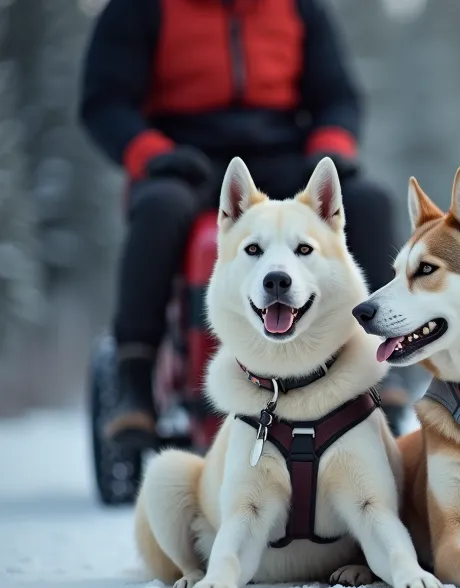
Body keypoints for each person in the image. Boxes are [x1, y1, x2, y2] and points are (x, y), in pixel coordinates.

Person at [80, 0, 409, 455]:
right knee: (159, 208)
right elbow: (104, 102)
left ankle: (382, 360)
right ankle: (135, 385)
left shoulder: (299, 8)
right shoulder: (140, 8)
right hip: (183, 159)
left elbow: (338, 97)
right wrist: (152, 155)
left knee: (370, 201)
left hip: (284, 153)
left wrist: (328, 146)